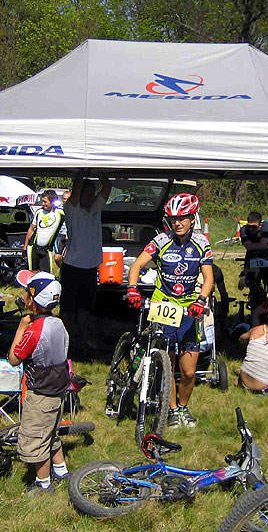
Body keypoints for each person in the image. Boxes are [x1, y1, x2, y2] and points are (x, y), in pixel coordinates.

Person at [126, 193, 214, 428]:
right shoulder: (161, 240)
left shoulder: (201, 243)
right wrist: (132, 288)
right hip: (163, 305)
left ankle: (184, 406)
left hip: (189, 307)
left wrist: (201, 300)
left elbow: (208, 278)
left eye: (182, 218)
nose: (177, 223)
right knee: (168, 365)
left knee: (188, 372)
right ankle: (172, 409)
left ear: (192, 219)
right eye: (173, 218)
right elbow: (137, 264)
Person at [8, 271, 71, 495]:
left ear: (32, 300)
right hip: (57, 389)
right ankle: (61, 470)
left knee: (36, 438)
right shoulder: (58, 322)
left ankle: (43, 484)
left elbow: (14, 359)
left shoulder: (33, 330)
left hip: (40, 393)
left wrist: (20, 328)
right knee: (51, 432)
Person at [59, 174, 112, 352]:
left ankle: (84, 337)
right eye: (85, 193)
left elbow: (107, 187)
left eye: (91, 193)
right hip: (72, 266)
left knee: (86, 307)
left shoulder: (96, 207)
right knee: (68, 307)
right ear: (79, 194)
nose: (89, 197)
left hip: (90, 267)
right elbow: (75, 191)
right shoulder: (72, 208)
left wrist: (98, 171)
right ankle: (65, 339)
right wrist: (82, 172)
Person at [23, 191, 63, 273]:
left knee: (46, 275)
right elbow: (31, 229)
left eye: (45, 201)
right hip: (33, 247)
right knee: (32, 274)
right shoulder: (39, 212)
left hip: (47, 250)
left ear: (52, 201)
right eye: (42, 201)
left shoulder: (60, 213)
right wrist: (25, 247)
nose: (43, 204)